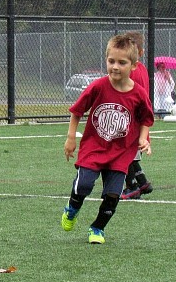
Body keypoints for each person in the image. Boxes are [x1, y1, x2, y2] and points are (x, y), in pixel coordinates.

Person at [61, 33, 154, 245]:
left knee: (113, 195)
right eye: (111, 61)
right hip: (95, 147)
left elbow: (145, 119)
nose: (115, 66)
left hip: (121, 152)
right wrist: (70, 139)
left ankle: (97, 228)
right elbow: (77, 112)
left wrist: (143, 139)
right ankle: (72, 209)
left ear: (133, 66)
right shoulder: (98, 87)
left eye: (122, 62)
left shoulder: (138, 94)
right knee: (84, 184)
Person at [120, 32, 153, 200]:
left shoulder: (131, 72)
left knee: (123, 154)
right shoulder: (143, 69)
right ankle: (143, 182)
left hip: (132, 119)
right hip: (139, 118)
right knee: (132, 156)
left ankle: (132, 187)